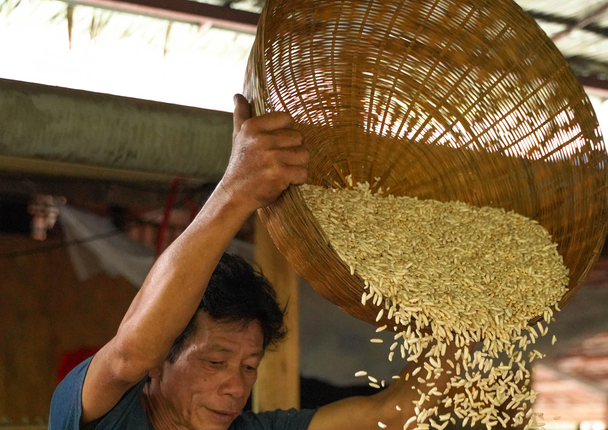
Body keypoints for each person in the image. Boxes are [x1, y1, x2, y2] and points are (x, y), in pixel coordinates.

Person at [49, 94, 428, 430]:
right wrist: (237, 190)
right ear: (160, 364)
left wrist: (462, 314)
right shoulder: (102, 415)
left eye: (250, 367)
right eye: (215, 362)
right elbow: (131, 354)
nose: (236, 389)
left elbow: (392, 413)